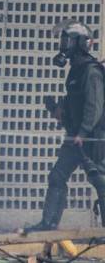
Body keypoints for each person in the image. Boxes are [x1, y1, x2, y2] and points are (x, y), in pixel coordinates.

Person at [25, 20, 105, 232]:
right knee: (57, 177)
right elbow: (75, 105)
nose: (63, 44)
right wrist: (58, 111)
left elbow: (94, 107)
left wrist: (84, 132)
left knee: (101, 182)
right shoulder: (76, 71)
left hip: (91, 139)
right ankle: (48, 224)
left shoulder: (92, 72)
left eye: (67, 40)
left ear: (79, 43)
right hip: (75, 137)